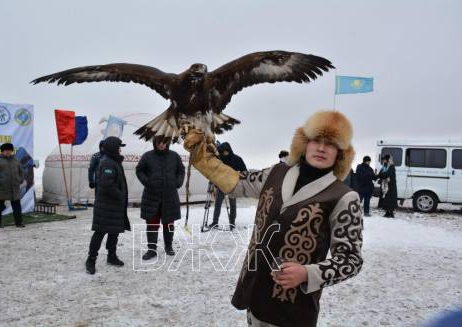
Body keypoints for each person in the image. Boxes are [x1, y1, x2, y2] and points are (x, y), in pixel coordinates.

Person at [184, 110, 363, 327]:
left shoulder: (344, 197)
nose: (322, 148)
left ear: (340, 153)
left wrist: (308, 273)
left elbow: (351, 259)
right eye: (316, 140)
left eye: (331, 143)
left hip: (293, 306)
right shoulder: (276, 173)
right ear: (304, 143)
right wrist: (202, 157)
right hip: (254, 291)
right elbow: (237, 182)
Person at [85, 136, 130, 275]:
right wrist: (120, 195)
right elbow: (106, 185)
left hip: (114, 205)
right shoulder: (107, 163)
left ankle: (111, 256)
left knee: (114, 231)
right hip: (106, 205)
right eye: (118, 147)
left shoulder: (113, 161)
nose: (120, 149)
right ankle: (91, 260)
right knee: (100, 232)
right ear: (113, 148)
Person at [136, 135, 185, 260]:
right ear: (155, 143)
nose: (161, 144)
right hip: (152, 196)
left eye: (164, 142)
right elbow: (139, 170)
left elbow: (181, 170)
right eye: (159, 142)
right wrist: (147, 182)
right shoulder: (147, 156)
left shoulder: (174, 156)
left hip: (170, 196)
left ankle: (168, 247)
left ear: (167, 143)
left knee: (169, 224)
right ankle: (151, 250)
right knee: (152, 224)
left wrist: (177, 182)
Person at [208, 142, 247, 230]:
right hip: (221, 185)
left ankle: (232, 223)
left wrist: (238, 178)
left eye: (225, 152)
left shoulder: (237, 159)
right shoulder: (220, 159)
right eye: (222, 152)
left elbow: (244, 171)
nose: (224, 154)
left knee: (233, 205)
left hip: (233, 186)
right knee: (217, 204)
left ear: (229, 150)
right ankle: (215, 222)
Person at [0, 143, 25, 228]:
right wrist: (0, 182)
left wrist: (20, 180)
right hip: (2, 188)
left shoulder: (16, 160)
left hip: (14, 187)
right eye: (6, 150)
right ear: (2, 151)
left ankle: (19, 223)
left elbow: (21, 171)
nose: (8, 152)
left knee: (17, 206)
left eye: (10, 150)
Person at [377, 154, 397, 218]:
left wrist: (381, 175)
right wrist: (379, 176)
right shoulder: (384, 166)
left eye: (385, 159)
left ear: (388, 160)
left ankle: (391, 212)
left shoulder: (391, 166)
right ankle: (387, 212)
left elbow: (387, 174)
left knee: (390, 199)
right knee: (385, 199)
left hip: (390, 186)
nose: (383, 161)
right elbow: (380, 174)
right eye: (383, 159)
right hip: (385, 186)